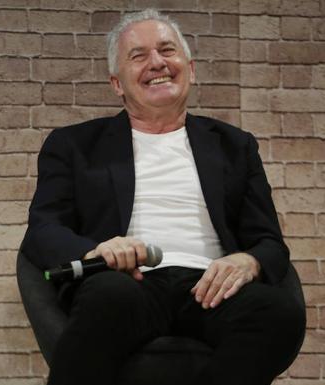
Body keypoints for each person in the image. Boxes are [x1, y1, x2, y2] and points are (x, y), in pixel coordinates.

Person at [22, 9, 305, 385]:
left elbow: (270, 242)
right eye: (138, 56)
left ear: (190, 68)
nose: (157, 63)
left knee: (279, 313)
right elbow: (43, 229)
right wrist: (97, 252)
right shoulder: (73, 145)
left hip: (210, 287)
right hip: (127, 283)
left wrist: (247, 262)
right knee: (108, 296)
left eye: (167, 50)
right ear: (117, 83)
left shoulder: (235, 146)